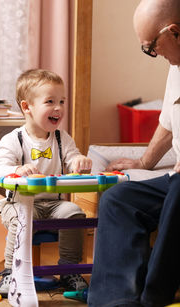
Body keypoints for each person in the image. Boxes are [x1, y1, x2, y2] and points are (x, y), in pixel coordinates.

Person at [88, 0, 180, 306]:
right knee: (118, 200)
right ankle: (114, 302)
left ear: (174, 32)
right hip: (176, 177)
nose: (154, 55)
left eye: (150, 47)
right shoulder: (176, 66)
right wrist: (143, 162)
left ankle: (153, 298)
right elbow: (168, 124)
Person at [0, 69, 92, 297]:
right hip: (19, 204)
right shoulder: (13, 139)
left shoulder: (61, 138)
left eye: (61, 101)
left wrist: (79, 160)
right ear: (27, 107)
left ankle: (69, 269)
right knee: (21, 216)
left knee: (75, 212)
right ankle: (10, 271)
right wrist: (18, 170)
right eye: (50, 101)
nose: (59, 107)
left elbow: (72, 157)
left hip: (53, 205)